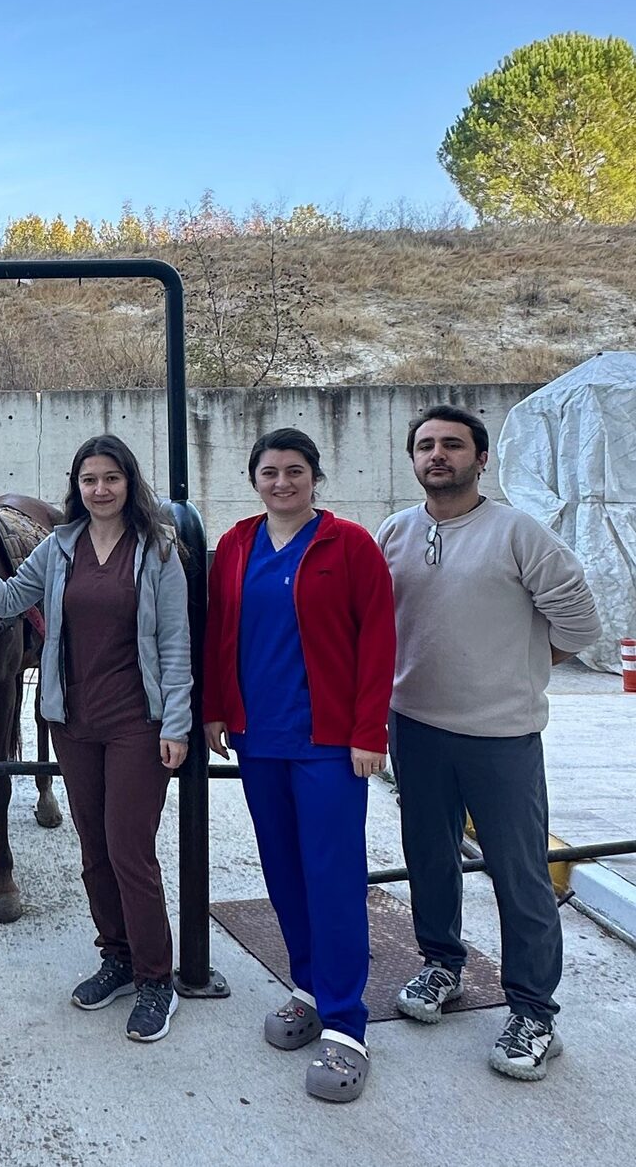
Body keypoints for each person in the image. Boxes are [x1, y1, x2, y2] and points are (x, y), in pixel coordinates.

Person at [378, 403, 600, 1081]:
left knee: (520, 873)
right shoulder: (393, 532)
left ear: (482, 459)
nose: (437, 455)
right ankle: (442, 966)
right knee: (429, 859)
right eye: (425, 446)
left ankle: (534, 1012)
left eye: (452, 445)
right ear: (413, 460)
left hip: (500, 739)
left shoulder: (517, 534)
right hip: (414, 728)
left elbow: (580, 624)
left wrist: (519, 668)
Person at [0, 434, 190, 1043]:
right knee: (92, 848)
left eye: (111, 478)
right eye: (89, 480)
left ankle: (156, 976)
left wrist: (179, 724)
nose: (101, 489)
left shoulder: (157, 549)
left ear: (129, 483)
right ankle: (115, 957)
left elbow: (176, 644)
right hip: (73, 719)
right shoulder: (60, 547)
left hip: (139, 721)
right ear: (76, 488)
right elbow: (7, 600)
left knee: (130, 849)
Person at [204, 428, 395, 1103]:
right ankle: (308, 989)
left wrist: (370, 731)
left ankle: (347, 1026)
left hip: (330, 743)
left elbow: (378, 640)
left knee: (333, 879)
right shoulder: (234, 546)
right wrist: (215, 711)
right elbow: (219, 633)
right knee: (283, 874)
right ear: (253, 479)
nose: (281, 482)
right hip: (260, 740)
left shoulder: (351, 546)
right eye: (269, 472)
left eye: (294, 471)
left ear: (316, 477)